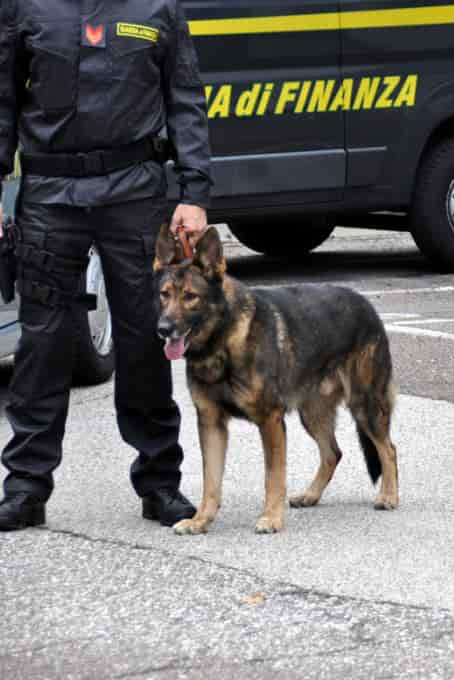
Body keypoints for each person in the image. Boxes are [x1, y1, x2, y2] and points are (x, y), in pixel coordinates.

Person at [0, 0, 212, 530]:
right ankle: (25, 488)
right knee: (42, 342)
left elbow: (184, 98)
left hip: (134, 192)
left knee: (144, 338)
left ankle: (160, 483)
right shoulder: (25, 7)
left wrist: (194, 192)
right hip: (51, 194)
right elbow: (2, 100)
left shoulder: (158, 7)